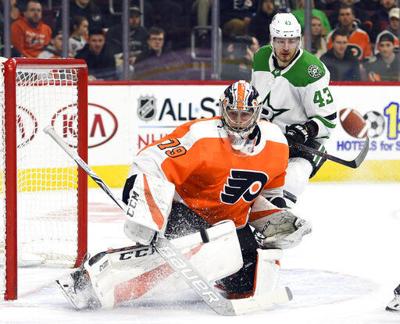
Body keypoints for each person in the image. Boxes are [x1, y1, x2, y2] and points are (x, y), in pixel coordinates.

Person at [55, 80, 311, 310]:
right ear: (223, 110)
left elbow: (269, 190)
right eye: (232, 113)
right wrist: (144, 205)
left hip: (230, 227)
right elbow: (150, 160)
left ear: (256, 113)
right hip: (185, 214)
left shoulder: (276, 143)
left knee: (246, 284)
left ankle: (217, 270)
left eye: (245, 114)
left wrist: (279, 218)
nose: (238, 121)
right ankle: (91, 278)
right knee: (175, 261)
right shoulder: (202, 136)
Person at [252, 12, 337, 208]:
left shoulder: (311, 70)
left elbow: (328, 119)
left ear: (300, 40)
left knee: (290, 183)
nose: (286, 47)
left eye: (292, 40)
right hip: (266, 139)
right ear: (272, 39)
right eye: (280, 41)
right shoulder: (261, 57)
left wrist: (304, 131)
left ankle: (279, 217)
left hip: (301, 145)